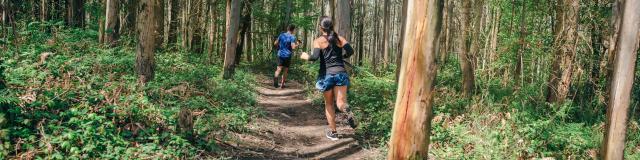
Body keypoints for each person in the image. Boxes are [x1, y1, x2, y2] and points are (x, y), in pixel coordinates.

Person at [300, 16, 357, 141]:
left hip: (327, 76)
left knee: (329, 104)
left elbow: (314, 57)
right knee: (341, 103)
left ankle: (334, 133)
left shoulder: (319, 41)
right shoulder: (339, 38)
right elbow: (351, 51)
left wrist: (305, 56)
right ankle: (347, 110)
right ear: (332, 26)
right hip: (341, 73)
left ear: (321, 28)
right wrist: (343, 55)